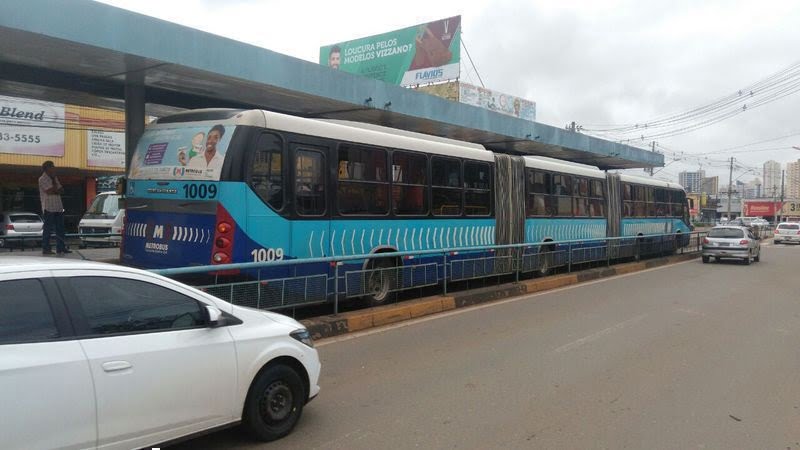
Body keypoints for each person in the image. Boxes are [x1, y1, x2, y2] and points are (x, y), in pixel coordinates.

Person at [38, 161, 71, 255]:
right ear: (47, 168)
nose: (54, 168)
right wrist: (56, 189)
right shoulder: (42, 179)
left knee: (60, 228)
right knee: (48, 229)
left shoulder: (54, 178)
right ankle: (46, 248)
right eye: (52, 167)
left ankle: (61, 247)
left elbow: (61, 190)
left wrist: (55, 189)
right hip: (48, 207)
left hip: (58, 207)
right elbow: (49, 191)